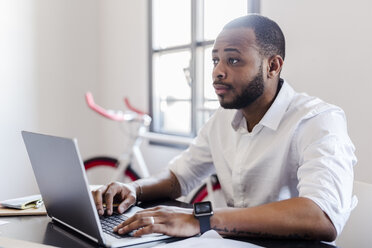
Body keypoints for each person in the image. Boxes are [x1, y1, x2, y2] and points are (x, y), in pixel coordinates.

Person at [92, 14, 356, 242]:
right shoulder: (222, 120)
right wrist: (134, 189)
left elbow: (321, 216)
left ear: (272, 66)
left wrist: (203, 219)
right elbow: (178, 178)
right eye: (215, 60)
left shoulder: (318, 120)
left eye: (233, 60)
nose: (218, 71)